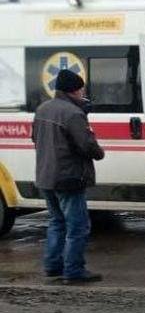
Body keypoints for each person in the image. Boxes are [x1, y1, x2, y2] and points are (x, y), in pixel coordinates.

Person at [31, 69, 105, 283]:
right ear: (74, 90)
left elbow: (35, 138)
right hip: (68, 178)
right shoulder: (73, 114)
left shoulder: (42, 109)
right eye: (81, 88)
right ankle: (74, 271)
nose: (83, 92)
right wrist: (99, 152)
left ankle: (52, 267)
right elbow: (87, 146)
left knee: (56, 222)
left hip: (46, 176)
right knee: (78, 226)